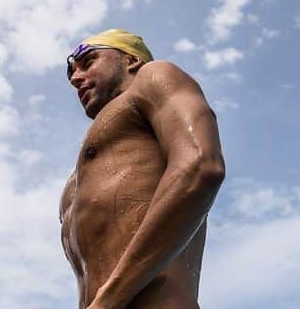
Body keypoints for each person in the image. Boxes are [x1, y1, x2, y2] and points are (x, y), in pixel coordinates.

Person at [60, 29, 226, 309]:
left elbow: (200, 166)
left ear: (130, 61)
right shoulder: (79, 178)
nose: (76, 78)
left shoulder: (155, 76)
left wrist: (109, 299)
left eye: (88, 62)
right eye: (72, 72)